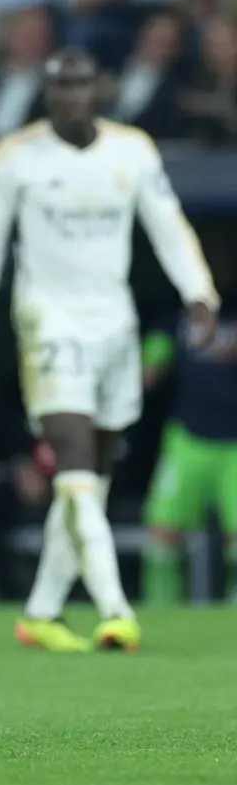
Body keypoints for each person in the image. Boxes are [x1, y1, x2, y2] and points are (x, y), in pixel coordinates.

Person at [0, 48, 220, 652]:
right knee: (72, 463)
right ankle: (116, 610)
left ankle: (41, 613)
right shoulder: (16, 156)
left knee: (89, 480)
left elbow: (167, 223)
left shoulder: (133, 149)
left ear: (101, 88)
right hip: (49, 324)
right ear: (46, 94)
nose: (71, 97)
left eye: (81, 85)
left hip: (114, 329)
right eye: (58, 87)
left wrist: (199, 291)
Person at [141, 247, 237, 605]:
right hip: (188, 438)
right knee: (163, 533)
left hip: (235, 444)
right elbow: (151, 361)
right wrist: (145, 371)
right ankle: (161, 612)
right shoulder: (177, 320)